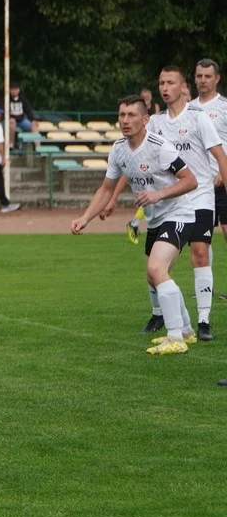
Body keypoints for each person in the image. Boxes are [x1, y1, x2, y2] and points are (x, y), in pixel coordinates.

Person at [102, 66, 227, 340]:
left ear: (183, 87)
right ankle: (162, 315)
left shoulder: (199, 119)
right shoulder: (154, 122)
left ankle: (203, 320)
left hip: (199, 194)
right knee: (158, 267)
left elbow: (220, 155)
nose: (165, 87)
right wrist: (112, 198)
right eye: (161, 82)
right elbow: (131, 163)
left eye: (170, 82)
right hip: (166, 203)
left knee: (200, 252)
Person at [72, 94, 198, 355]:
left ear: (145, 119)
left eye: (131, 115)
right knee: (154, 277)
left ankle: (175, 338)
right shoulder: (118, 149)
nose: (125, 120)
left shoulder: (160, 146)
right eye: (121, 115)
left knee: (156, 268)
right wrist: (85, 218)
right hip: (155, 219)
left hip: (179, 213)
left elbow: (190, 180)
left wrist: (158, 195)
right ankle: (186, 329)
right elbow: (106, 188)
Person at [187, 59, 227, 297]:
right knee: (202, 239)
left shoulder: (224, 107)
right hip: (199, 186)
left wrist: (223, 172)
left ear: (217, 79)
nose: (203, 80)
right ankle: (207, 289)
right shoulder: (189, 109)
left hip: (222, 181)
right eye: (199, 76)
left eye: (207, 76)